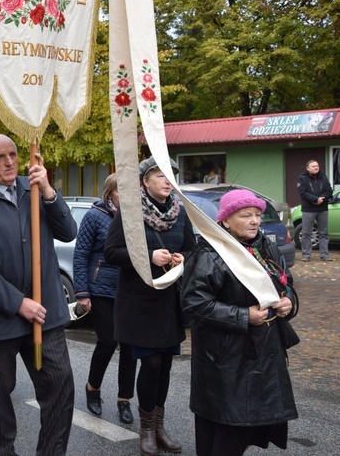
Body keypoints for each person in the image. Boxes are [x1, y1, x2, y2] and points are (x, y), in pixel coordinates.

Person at [0, 134, 77, 456]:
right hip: (1, 320)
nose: (8, 162)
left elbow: (68, 231)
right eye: (0, 157)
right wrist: (17, 302)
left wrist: (47, 190)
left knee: (60, 389)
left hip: (46, 315)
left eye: (13, 155)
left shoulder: (34, 189)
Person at [182, 189, 298, 455]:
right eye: (245, 215)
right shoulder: (209, 253)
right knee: (227, 430)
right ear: (225, 221)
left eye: (257, 214)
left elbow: (285, 281)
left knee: (251, 426)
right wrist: (245, 316)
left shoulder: (264, 247)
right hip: (225, 359)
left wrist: (288, 301)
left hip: (264, 353)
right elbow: (194, 303)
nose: (255, 221)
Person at [104, 156, 195, 456]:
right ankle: (146, 429)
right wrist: (149, 257)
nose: (168, 181)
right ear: (145, 181)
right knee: (151, 363)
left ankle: (159, 427)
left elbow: (191, 249)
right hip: (138, 302)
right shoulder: (129, 212)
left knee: (166, 364)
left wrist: (182, 257)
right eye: (160, 176)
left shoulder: (180, 213)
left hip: (169, 301)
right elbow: (111, 253)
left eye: (170, 176)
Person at [73, 173, 137, 424]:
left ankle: (124, 400)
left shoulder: (136, 217)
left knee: (130, 347)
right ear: (110, 193)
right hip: (100, 289)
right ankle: (93, 388)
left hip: (130, 290)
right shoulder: (94, 216)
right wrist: (82, 292)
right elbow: (80, 255)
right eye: (121, 192)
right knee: (108, 341)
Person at [297, 159, 333, 262]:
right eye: (313, 166)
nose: (316, 167)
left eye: (317, 166)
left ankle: (324, 255)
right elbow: (303, 193)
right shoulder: (302, 178)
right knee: (306, 233)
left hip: (322, 209)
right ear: (308, 168)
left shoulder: (323, 177)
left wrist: (322, 199)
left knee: (324, 233)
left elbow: (329, 191)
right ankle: (306, 255)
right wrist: (315, 199)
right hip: (308, 210)